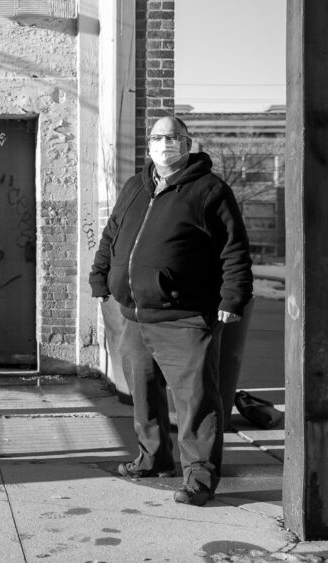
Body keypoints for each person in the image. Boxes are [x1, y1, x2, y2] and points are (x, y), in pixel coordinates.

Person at [89, 116, 253, 506]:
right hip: (135, 315)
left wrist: (233, 298)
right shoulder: (136, 186)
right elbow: (112, 235)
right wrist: (100, 277)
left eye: (173, 137)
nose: (165, 144)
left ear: (187, 142)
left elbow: (234, 250)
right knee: (143, 394)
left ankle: (199, 477)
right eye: (158, 138)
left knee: (196, 400)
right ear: (149, 144)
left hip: (186, 317)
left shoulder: (210, 190)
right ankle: (154, 457)